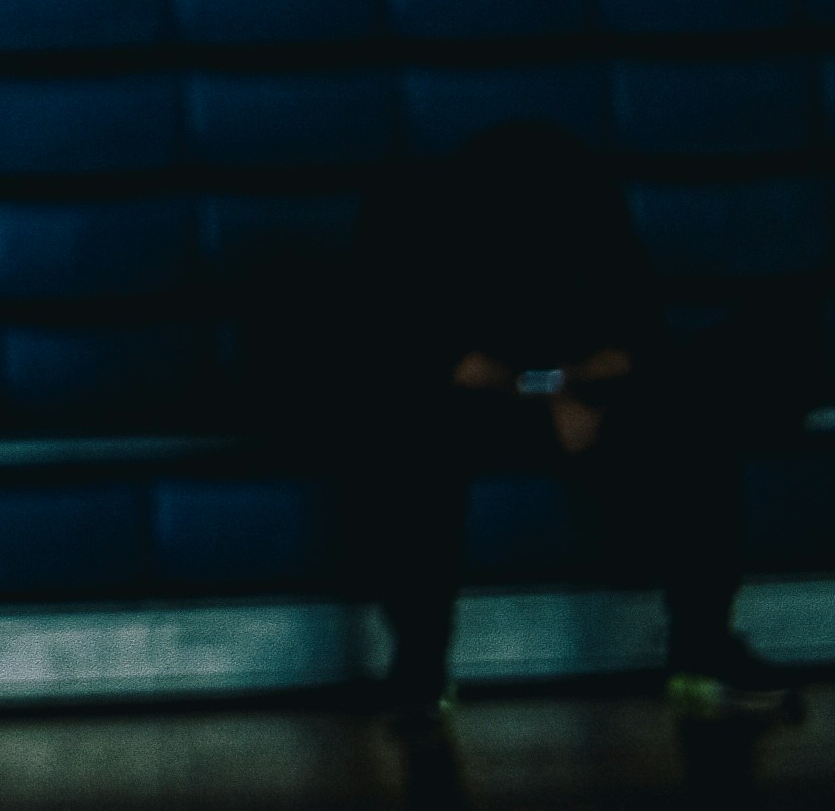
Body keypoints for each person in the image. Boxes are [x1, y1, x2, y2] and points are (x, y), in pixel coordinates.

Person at [320, 120, 794, 725]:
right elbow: (429, 358)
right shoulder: (421, 219)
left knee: (694, 417)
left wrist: (576, 390)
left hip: (578, 397)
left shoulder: (590, 214)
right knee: (407, 431)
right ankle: (420, 663)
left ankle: (702, 647)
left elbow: (640, 338)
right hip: (467, 407)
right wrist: (544, 395)